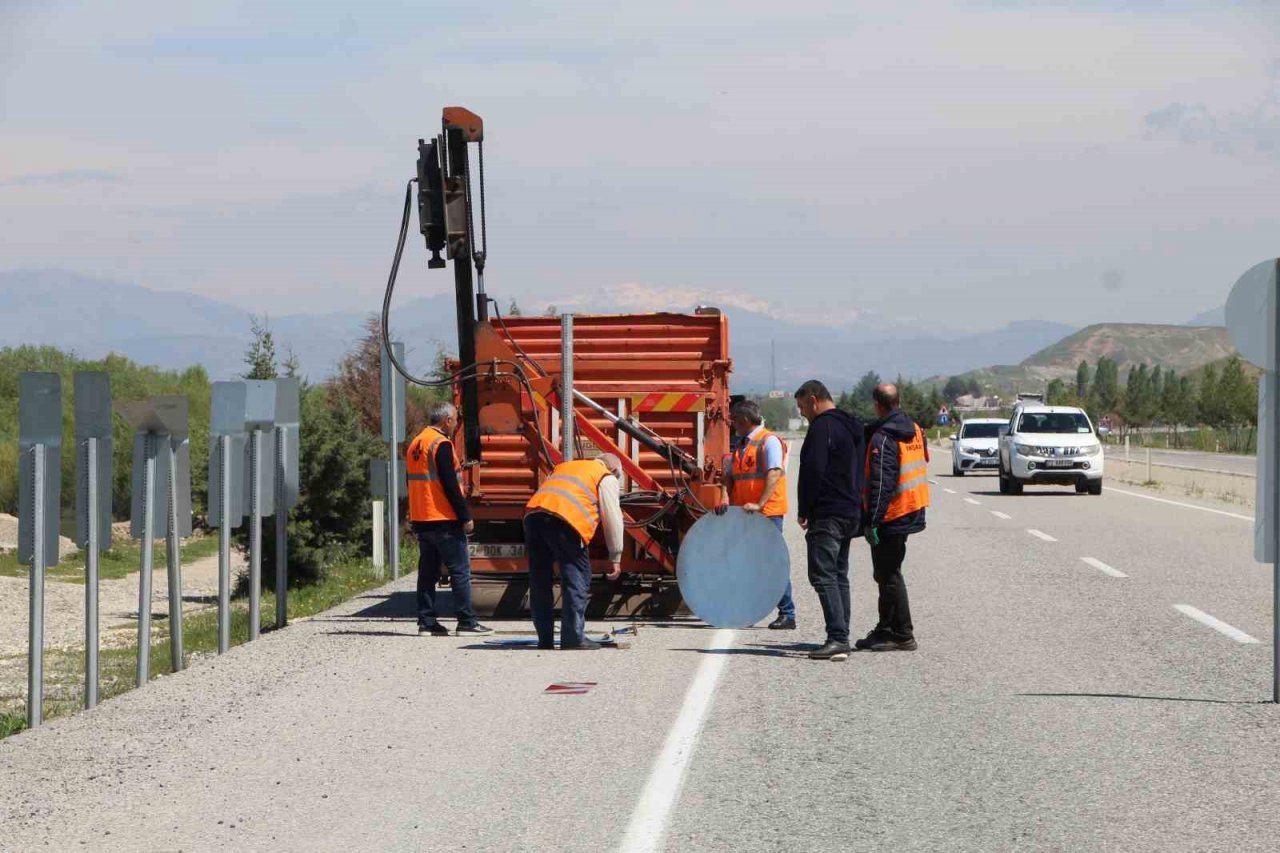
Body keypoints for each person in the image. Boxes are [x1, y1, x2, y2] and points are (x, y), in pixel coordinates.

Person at [406, 402, 492, 637]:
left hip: (422, 517)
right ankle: (466, 621)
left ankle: (426, 623)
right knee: (460, 571)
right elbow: (450, 486)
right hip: (443, 517)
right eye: (455, 419)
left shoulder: (417, 442)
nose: (456, 424)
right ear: (446, 421)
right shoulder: (441, 444)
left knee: (427, 572)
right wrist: (465, 516)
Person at [793, 380, 865, 661]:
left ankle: (837, 638)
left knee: (822, 575)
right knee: (838, 574)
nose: (801, 413)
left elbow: (814, 470)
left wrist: (805, 508)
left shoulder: (822, 426)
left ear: (813, 399)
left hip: (828, 511)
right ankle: (842, 633)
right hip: (850, 509)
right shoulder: (852, 425)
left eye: (801, 406)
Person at [523, 454, 626, 650]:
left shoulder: (565, 467)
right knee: (576, 576)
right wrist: (616, 556)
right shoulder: (606, 477)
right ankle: (572, 637)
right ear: (614, 470)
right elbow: (612, 517)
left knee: (540, 580)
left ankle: (544, 639)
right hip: (565, 521)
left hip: (533, 517)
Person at [856, 384, 928, 652]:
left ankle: (900, 633)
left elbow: (882, 483)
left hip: (893, 514)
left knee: (888, 574)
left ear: (878, 404)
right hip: (912, 508)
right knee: (887, 572)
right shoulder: (916, 429)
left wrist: (873, 521)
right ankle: (888, 628)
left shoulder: (883, 438)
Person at [716, 399, 796, 630]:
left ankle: (787, 613)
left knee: (771, 563)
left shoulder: (768, 441)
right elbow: (728, 476)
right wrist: (724, 497)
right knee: (749, 564)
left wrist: (760, 504)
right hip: (745, 513)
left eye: (734, 421)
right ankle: (749, 612)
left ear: (744, 420)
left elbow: (774, 474)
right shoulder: (741, 444)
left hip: (767, 513)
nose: (732, 425)